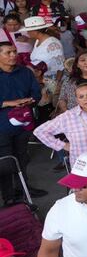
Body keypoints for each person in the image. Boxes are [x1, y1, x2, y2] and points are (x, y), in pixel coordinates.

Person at [0, 41, 40, 204]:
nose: (13, 55)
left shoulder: (25, 72)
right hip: (2, 126)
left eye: (14, 51)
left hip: (23, 123)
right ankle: (9, 196)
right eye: (8, 52)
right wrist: (8, 103)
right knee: (6, 161)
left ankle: (23, 188)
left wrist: (30, 100)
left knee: (22, 157)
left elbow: (36, 93)